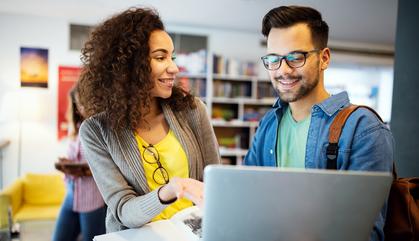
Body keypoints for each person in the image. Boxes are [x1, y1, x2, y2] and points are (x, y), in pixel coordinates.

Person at [244, 5, 393, 241]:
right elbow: (246, 200)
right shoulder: (268, 125)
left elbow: (365, 233)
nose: (283, 70)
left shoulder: (364, 129)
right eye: (274, 59)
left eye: (295, 57)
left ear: (324, 58)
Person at [77, 7, 220, 232]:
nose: (173, 67)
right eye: (160, 57)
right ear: (129, 66)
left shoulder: (193, 111)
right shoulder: (95, 131)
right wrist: (171, 190)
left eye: (171, 57)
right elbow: (123, 210)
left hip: (195, 232)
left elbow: (216, 182)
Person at [52, 87, 106, 241]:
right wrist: (67, 164)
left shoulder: (100, 129)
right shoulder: (75, 128)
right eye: (77, 104)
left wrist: (78, 170)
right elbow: (76, 159)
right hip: (71, 196)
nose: (80, 109)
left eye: (82, 103)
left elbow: (103, 167)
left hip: (91, 199)